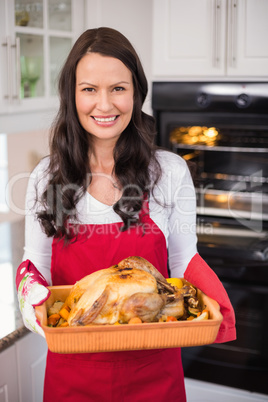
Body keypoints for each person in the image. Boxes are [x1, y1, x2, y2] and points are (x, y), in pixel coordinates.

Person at [16, 27, 236, 402]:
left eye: (118, 88)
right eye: (89, 89)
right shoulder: (46, 176)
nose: (105, 105)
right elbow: (36, 266)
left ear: (136, 94)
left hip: (154, 372)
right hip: (73, 374)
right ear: (71, 96)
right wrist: (31, 303)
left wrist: (212, 309)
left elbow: (183, 262)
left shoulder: (167, 171)